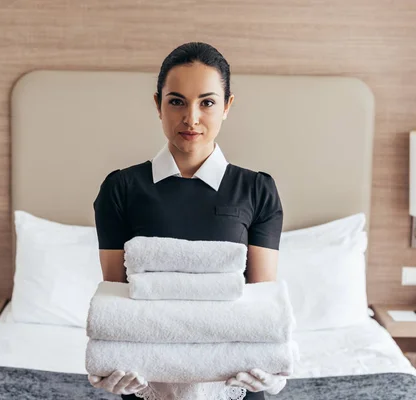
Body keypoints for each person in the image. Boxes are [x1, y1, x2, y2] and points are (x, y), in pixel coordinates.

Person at [89, 42, 288, 399]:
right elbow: (117, 303)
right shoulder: (122, 189)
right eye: (177, 101)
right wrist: (109, 362)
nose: (191, 117)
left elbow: (260, 305)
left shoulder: (256, 190)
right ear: (158, 105)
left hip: (236, 386)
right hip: (144, 385)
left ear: (227, 106)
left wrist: (272, 369)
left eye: (207, 102)